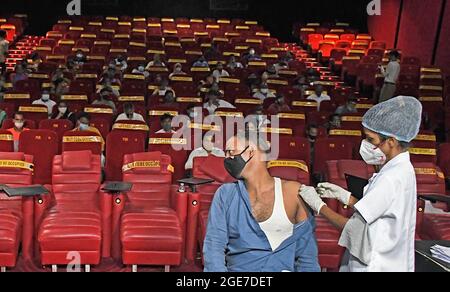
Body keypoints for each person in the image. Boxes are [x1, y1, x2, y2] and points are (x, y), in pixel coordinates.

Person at [299, 96, 422, 272]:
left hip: (376, 264)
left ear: (392, 142)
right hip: (389, 259)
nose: (366, 145)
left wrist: (319, 207)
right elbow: (380, 210)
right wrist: (346, 197)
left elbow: (353, 229)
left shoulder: (391, 177)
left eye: (371, 140)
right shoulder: (402, 168)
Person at [203, 130, 320, 272]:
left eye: (231, 152)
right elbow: (214, 246)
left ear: (251, 152)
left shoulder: (293, 193)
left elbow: (307, 256)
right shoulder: (225, 194)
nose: (226, 158)